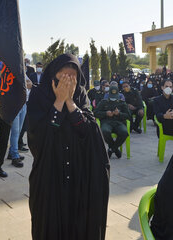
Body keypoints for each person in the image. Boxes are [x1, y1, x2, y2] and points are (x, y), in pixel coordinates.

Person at [27, 54, 109, 240]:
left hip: (79, 174)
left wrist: (70, 102)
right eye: (63, 77)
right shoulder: (40, 95)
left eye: (72, 78)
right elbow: (39, 136)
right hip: (50, 173)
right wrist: (58, 102)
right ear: (52, 75)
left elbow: (88, 131)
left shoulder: (80, 94)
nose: (67, 82)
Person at [94, 85, 131, 158]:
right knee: (104, 131)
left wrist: (119, 114)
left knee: (124, 132)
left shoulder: (122, 103)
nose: (113, 99)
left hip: (119, 123)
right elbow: (95, 113)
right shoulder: (103, 102)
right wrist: (105, 113)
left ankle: (111, 149)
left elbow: (128, 115)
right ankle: (115, 149)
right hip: (107, 122)